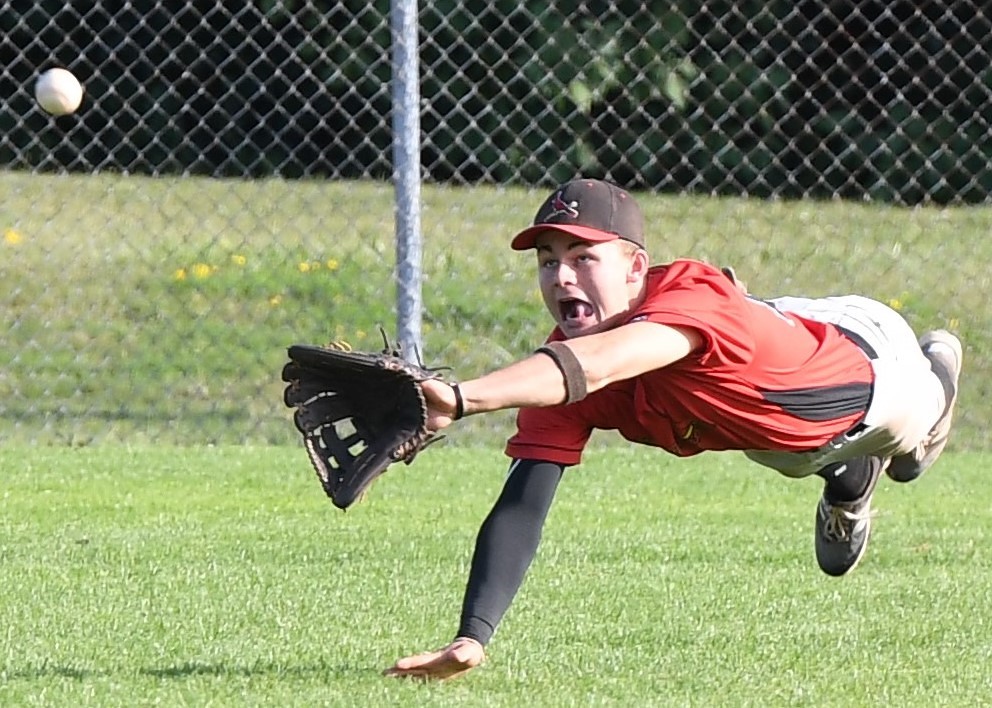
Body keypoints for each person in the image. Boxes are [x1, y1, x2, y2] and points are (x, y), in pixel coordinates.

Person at [383, 178, 963, 681]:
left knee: (910, 444)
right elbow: (522, 505)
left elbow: (606, 362)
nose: (561, 276)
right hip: (773, 424)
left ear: (636, 267)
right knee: (780, 449)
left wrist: (461, 399)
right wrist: (471, 637)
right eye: (547, 260)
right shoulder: (559, 371)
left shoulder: (684, 301)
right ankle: (847, 473)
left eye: (584, 257)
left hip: (873, 370)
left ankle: (938, 372)